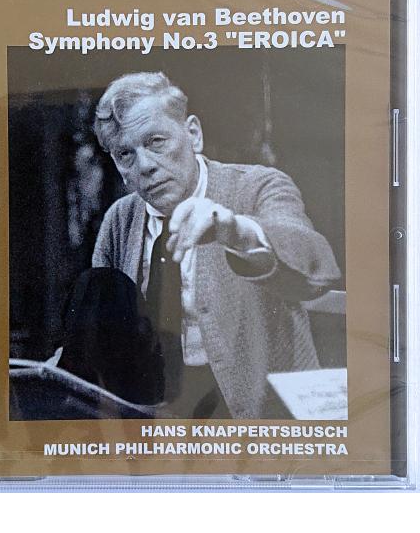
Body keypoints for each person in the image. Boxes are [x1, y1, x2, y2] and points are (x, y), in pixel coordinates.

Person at [60, 71, 341, 419]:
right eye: (125, 154)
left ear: (193, 134)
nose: (145, 166)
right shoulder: (120, 219)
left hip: (257, 412)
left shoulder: (258, 186)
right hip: (156, 414)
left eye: (156, 141)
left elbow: (316, 266)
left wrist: (233, 230)